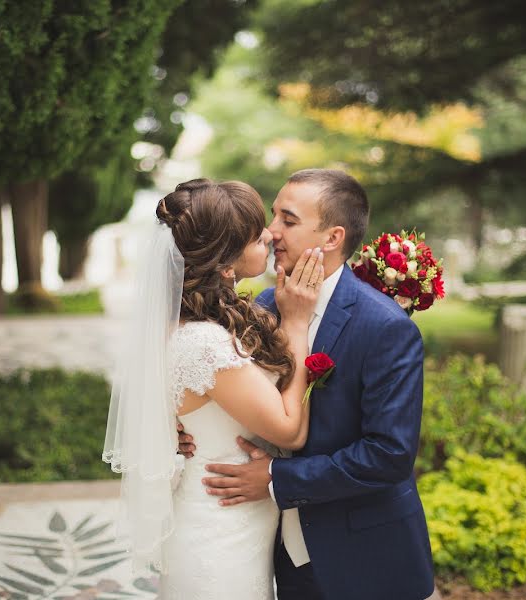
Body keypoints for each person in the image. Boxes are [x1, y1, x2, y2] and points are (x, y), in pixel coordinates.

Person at [185, 169, 438, 599]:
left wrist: (275, 478)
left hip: (364, 556)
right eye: (273, 216)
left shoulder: (385, 327)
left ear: (332, 237)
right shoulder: (261, 307)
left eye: (288, 219)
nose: (271, 231)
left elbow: (389, 454)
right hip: (279, 552)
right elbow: (212, 381)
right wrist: (182, 425)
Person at [103, 178, 324, 600]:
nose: (270, 235)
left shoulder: (203, 324)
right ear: (224, 265)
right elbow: (290, 431)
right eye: (254, 234)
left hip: (234, 524)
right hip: (217, 539)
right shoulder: (204, 343)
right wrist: (297, 323)